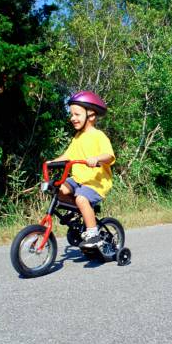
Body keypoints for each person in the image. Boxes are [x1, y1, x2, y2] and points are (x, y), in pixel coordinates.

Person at [51, 91, 115, 248]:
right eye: (71, 114)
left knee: (80, 198)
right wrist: (52, 162)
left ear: (91, 116)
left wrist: (97, 158)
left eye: (77, 114)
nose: (73, 118)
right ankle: (79, 212)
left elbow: (109, 155)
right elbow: (68, 155)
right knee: (57, 189)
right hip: (78, 179)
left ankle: (93, 233)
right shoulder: (77, 137)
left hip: (96, 183)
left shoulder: (98, 136)